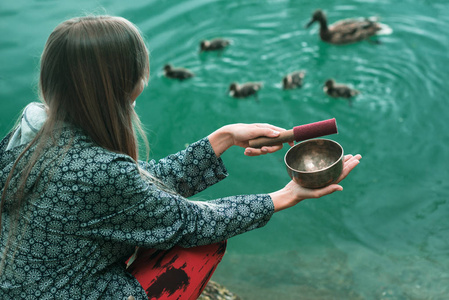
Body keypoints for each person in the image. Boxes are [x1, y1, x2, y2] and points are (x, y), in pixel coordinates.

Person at [0, 15, 361, 299]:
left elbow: (138, 190)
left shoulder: (31, 130)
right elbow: (189, 222)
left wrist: (222, 138)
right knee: (197, 248)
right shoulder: (101, 172)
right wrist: (285, 196)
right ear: (128, 83)